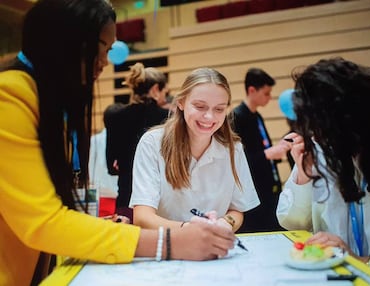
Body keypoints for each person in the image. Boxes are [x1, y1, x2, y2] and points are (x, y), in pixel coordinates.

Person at [0, 1, 236, 285]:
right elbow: (43, 222)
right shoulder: (10, 96)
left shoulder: (48, 101)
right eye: (103, 46)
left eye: (220, 109)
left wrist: (96, 227)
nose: (106, 61)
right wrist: (170, 242)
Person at [276, 57, 370, 283]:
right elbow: (291, 223)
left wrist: (366, 261)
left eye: (324, 128)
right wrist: (303, 174)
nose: (318, 138)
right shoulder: (324, 147)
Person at [130, 67, 260, 232]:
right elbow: (142, 217)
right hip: (167, 249)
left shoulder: (234, 149)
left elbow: (237, 210)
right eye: (200, 106)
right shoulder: (153, 143)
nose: (209, 117)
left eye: (219, 109)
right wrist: (189, 230)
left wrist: (226, 223)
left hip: (213, 249)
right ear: (181, 102)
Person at [106, 62, 170, 221]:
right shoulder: (168, 117)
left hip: (126, 198)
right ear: (156, 89)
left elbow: (111, 167)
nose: (165, 97)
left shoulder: (116, 116)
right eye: (165, 92)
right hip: (157, 203)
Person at [231, 68, 291, 233]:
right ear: (252, 90)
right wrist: (269, 153)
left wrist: (276, 151)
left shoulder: (256, 116)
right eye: (266, 93)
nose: (269, 97)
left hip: (268, 186)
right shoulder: (237, 117)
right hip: (254, 192)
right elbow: (237, 161)